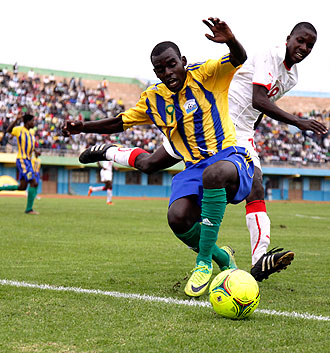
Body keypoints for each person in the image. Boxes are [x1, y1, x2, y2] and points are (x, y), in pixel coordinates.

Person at [77, 22, 327, 282]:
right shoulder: (268, 56)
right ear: (288, 39)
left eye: (310, 45)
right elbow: (257, 97)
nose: (303, 48)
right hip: (214, 120)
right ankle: (108, 152)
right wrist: (298, 122)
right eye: (300, 41)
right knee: (149, 164)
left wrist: (253, 130)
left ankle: (257, 260)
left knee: (254, 185)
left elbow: (262, 106)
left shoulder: (291, 76)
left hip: (235, 132)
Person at [64, 17, 254, 297]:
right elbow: (120, 122)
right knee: (177, 218)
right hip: (192, 165)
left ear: (183, 61)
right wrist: (84, 127)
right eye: (159, 69)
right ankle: (222, 258)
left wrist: (231, 40)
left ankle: (203, 263)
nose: (166, 72)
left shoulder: (207, 74)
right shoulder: (154, 98)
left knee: (207, 173)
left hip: (228, 157)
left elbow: (239, 57)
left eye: (171, 64)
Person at [0, 112, 39, 214]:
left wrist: (35, 151)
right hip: (23, 160)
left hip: (28, 161)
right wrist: (16, 120)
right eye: (32, 121)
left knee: (22, 187)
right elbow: (8, 131)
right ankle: (29, 209)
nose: (34, 123)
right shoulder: (19, 129)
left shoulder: (30, 134)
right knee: (34, 183)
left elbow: (30, 146)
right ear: (27, 122)